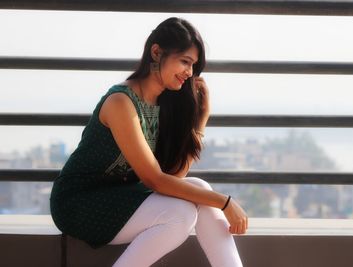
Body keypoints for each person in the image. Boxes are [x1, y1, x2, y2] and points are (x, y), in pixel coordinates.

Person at [49, 17, 247, 267]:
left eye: (193, 66)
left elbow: (173, 177)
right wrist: (226, 202)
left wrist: (200, 121)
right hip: (80, 203)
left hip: (121, 198)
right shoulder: (121, 102)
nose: (189, 72)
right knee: (181, 214)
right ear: (156, 52)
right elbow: (155, 180)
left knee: (199, 187)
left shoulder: (164, 102)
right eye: (185, 61)